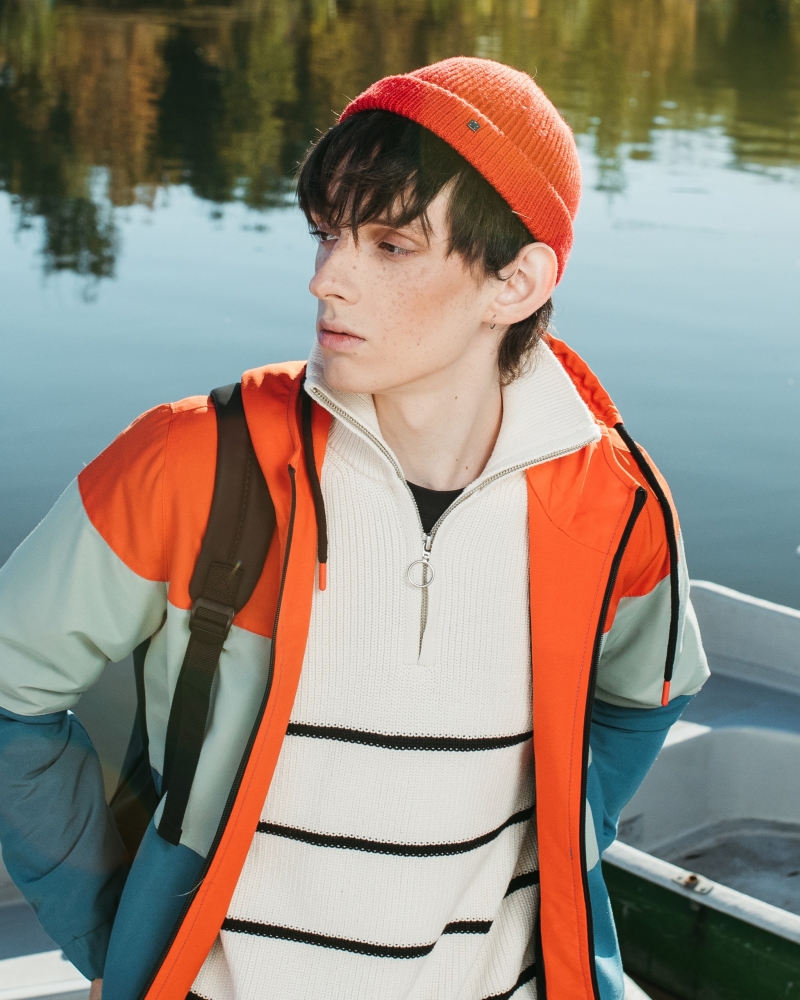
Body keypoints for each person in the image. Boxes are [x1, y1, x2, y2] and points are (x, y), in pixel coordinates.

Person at [0, 57, 708, 1000]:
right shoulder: (191, 464)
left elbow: (643, 698)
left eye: (391, 245)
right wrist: (122, 935)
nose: (327, 279)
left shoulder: (615, 505)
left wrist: (545, 854)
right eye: (328, 234)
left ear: (516, 280)